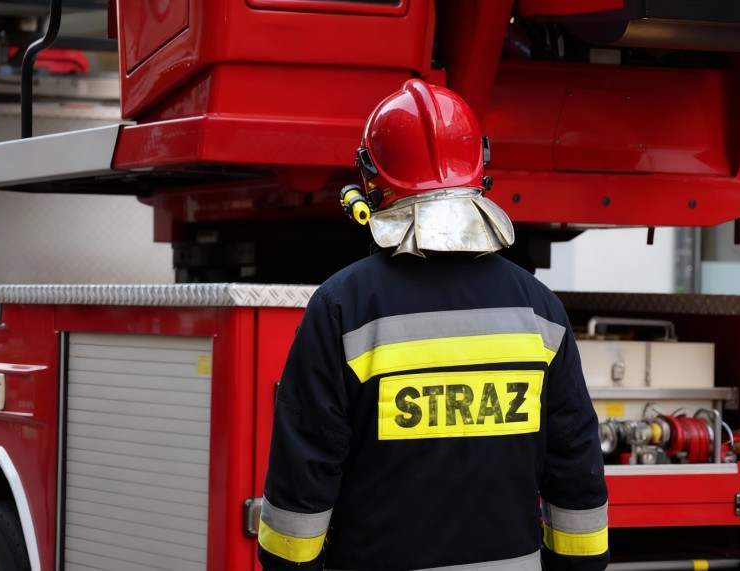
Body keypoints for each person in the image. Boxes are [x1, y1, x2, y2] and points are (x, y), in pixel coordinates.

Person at [258, 78, 609, 571]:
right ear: (479, 168)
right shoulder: (539, 309)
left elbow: (306, 468)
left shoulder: (342, 306)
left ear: (371, 177)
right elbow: (575, 464)